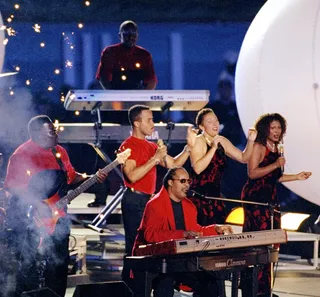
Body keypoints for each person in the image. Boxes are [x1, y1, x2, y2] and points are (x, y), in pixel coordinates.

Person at [4, 115, 107, 297]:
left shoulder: (59, 152)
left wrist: (90, 178)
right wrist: (38, 204)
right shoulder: (22, 155)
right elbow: (13, 188)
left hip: (59, 218)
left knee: (59, 266)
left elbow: (71, 177)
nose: (56, 133)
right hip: (31, 222)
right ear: (37, 134)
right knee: (30, 268)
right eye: (51, 130)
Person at [119, 104, 196, 285]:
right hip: (134, 199)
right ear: (137, 123)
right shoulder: (128, 146)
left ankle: (149, 284)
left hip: (147, 200)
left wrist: (189, 148)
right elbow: (131, 175)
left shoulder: (151, 146)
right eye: (149, 119)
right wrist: (154, 159)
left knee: (151, 245)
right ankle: (131, 287)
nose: (153, 123)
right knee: (135, 247)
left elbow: (173, 164)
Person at [240, 113, 311, 297]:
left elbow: (275, 177)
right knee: (258, 242)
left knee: (271, 243)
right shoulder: (259, 146)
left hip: (270, 197)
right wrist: (275, 165)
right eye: (273, 127)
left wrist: (297, 176)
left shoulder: (277, 148)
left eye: (279, 128)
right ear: (266, 128)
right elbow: (253, 173)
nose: (277, 131)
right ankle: (252, 288)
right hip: (256, 198)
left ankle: (265, 288)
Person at [132, 167, 233, 297]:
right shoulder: (154, 204)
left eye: (188, 181)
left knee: (211, 282)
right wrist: (182, 234)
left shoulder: (189, 206)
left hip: (181, 261)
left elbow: (196, 231)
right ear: (170, 182)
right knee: (164, 285)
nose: (187, 185)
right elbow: (150, 235)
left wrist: (216, 229)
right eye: (183, 181)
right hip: (156, 260)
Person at [189, 108, 257, 225]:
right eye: (209, 121)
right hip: (200, 198)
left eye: (216, 120)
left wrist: (250, 141)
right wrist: (214, 148)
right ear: (201, 127)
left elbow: (243, 158)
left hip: (216, 197)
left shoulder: (222, 141)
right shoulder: (198, 141)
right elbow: (198, 168)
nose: (215, 124)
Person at [96, 20, 157, 90]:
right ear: (120, 35)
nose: (130, 37)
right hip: (116, 92)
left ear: (137, 36)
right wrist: (113, 96)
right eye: (126, 33)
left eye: (133, 33)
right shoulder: (110, 52)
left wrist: (143, 97)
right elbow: (103, 78)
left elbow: (151, 80)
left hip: (137, 95)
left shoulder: (144, 55)